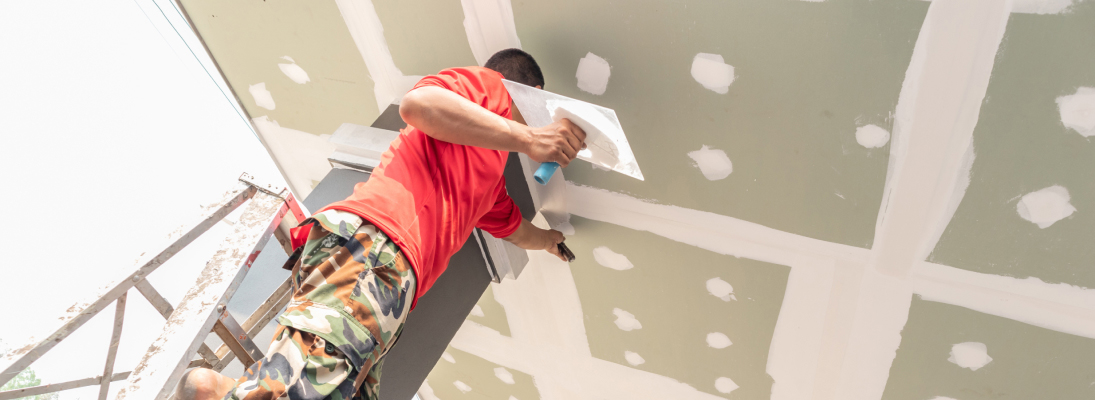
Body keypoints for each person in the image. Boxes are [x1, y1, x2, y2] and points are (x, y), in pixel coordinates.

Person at [177, 48, 586, 400]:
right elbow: (420, 105)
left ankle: (226, 390)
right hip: (378, 248)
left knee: (335, 384)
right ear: (528, 94)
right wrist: (529, 138)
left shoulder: (488, 177)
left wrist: (551, 240)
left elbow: (515, 229)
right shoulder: (490, 86)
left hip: (387, 275)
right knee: (312, 381)